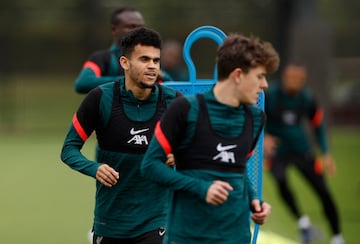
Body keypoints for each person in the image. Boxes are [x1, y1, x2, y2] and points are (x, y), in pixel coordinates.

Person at [140, 33, 280, 243]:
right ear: (238, 75)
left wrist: (255, 202)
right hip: (188, 237)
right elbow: (150, 165)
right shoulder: (184, 109)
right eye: (259, 76)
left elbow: (239, 170)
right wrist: (201, 187)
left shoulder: (256, 118)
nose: (265, 85)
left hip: (236, 237)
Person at [60, 27, 181, 244]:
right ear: (125, 63)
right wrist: (94, 168)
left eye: (156, 60)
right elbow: (69, 149)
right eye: (144, 59)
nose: (152, 66)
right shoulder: (100, 99)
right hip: (111, 222)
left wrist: (180, 155)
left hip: (158, 220)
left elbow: (198, 148)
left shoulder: (175, 102)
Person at [263, 64, 345, 244]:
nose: (293, 82)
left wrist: (325, 153)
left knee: (323, 192)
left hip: (302, 150)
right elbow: (256, 116)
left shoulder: (307, 98)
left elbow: (318, 125)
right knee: (280, 180)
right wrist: (264, 136)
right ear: (284, 78)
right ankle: (303, 223)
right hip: (278, 152)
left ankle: (338, 237)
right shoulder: (270, 96)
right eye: (290, 77)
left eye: (297, 79)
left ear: (303, 81)